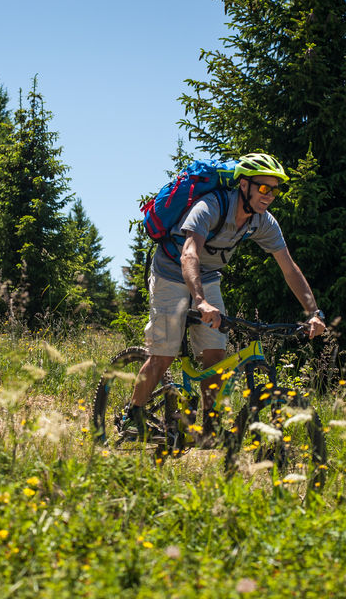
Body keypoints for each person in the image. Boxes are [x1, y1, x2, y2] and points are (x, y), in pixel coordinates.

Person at [128, 153, 326, 444]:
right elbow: (189, 253)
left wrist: (313, 311)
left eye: (275, 190)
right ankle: (131, 415)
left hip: (207, 277)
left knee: (215, 354)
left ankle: (207, 427)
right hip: (171, 271)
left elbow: (288, 266)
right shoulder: (209, 207)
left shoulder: (262, 221)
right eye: (263, 188)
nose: (269, 196)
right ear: (243, 185)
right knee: (165, 353)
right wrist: (201, 301)